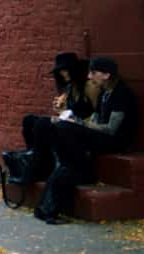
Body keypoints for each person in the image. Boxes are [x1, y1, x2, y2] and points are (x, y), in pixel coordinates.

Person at [34, 57, 137, 224]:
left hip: (115, 142)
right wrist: (75, 121)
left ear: (106, 75)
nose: (89, 76)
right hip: (97, 138)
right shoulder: (104, 93)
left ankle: (47, 209)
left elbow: (111, 129)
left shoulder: (121, 94)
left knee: (67, 139)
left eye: (93, 72)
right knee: (49, 126)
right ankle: (45, 208)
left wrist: (81, 124)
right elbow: (95, 120)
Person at [13, 52, 98, 183]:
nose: (63, 74)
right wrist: (60, 111)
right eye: (60, 71)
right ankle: (34, 157)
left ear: (74, 69)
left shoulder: (89, 87)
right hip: (69, 125)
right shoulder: (70, 88)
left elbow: (98, 113)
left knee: (43, 124)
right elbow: (70, 112)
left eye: (66, 70)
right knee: (29, 120)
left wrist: (75, 120)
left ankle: (35, 167)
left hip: (85, 128)